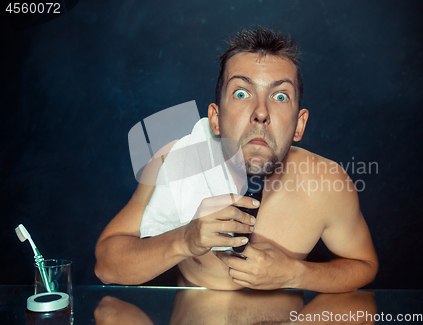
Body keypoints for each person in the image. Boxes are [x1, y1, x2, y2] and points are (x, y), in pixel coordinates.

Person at [94, 26, 378, 293]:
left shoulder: (328, 181)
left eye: (280, 96)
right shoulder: (175, 161)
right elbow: (107, 267)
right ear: (215, 120)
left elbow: (364, 266)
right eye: (241, 93)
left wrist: (295, 273)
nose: (261, 112)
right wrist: (185, 239)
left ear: (300, 125)